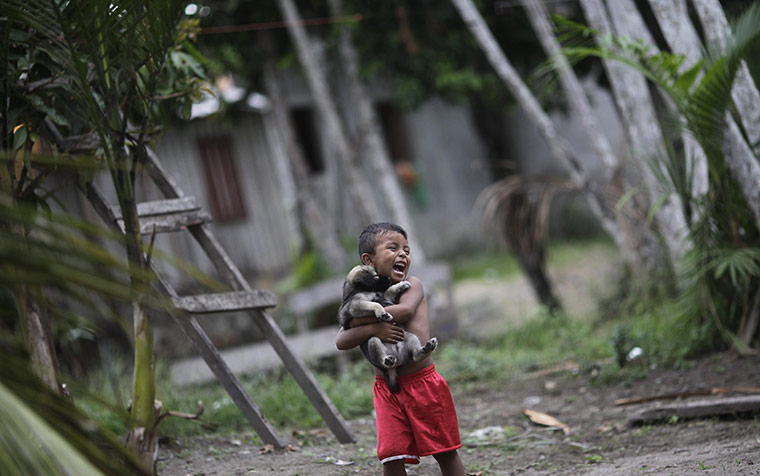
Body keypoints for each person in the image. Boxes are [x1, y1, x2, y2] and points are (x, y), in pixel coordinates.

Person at [335, 222, 465, 476]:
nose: (403, 254)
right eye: (393, 248)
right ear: (368, 261)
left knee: (444, 451)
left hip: (422, 385)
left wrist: (358, 320)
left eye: (406, 249)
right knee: (392, 456)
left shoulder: (412, 285)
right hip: (387, 390)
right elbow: (341, 340)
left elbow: (404, 311)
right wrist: (374, 330)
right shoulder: (362, 295)